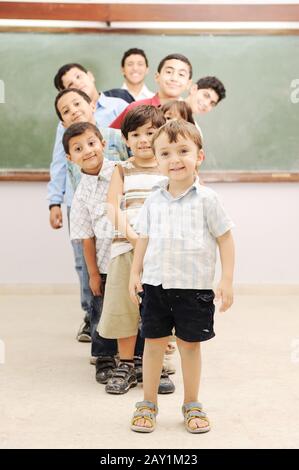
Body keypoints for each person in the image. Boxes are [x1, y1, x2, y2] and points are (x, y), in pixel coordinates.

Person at [129, 120, 235, 433]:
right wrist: (136, 271)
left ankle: (192, 403)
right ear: (157, 159)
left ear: (199, 156)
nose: (175, 159)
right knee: (153, 345)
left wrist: (226, 280)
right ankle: (147, 403)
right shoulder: (153, 197)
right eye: (166, 153)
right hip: (156, 284)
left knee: (190, 346)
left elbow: (225, 238)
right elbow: (144, 237)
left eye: (183, 151)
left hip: (194, 289)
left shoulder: (208, 199)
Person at [98, 105, 175, 395]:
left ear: (161, 136)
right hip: (126, 249)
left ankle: (154, 365)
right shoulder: (122, 169)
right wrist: (134, 239)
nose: (143, 139)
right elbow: (111, 207)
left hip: (162, 252)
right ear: (126, 140)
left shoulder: (170, 168)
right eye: (136, 134)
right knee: (125, 305)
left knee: (158, 308)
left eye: (150, 133)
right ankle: (127, 363)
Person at [48, 63, 128, 342]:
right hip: (82, 203)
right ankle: (93, 317)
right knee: (87, 263)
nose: (73, 110)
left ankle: (134, 330)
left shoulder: (115, 116)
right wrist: (54, 202)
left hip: (121, 206)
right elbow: (59, 166)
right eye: (65, 110)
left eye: (78, 78)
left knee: (123, 259)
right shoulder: (66, 133)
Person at [63, 122, 119, 381]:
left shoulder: (122, 174)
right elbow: (87, 238)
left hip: (129, 259)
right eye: (78, 148)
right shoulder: (81, 194)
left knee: (138, 310)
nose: (87, 151)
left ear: (103, 144)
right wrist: (93, 274)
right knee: (100, 311)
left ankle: (138, 357)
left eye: (91, 143)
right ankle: (105, 356)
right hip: (104, 263)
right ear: (70, 158)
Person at [109, 53, 193, 129]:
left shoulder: (187, 117)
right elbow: (110, 137)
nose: (174, 78)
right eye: (169, 72)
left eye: (181, 74)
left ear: (188, 84)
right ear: (157, 77)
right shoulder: (135, 108)